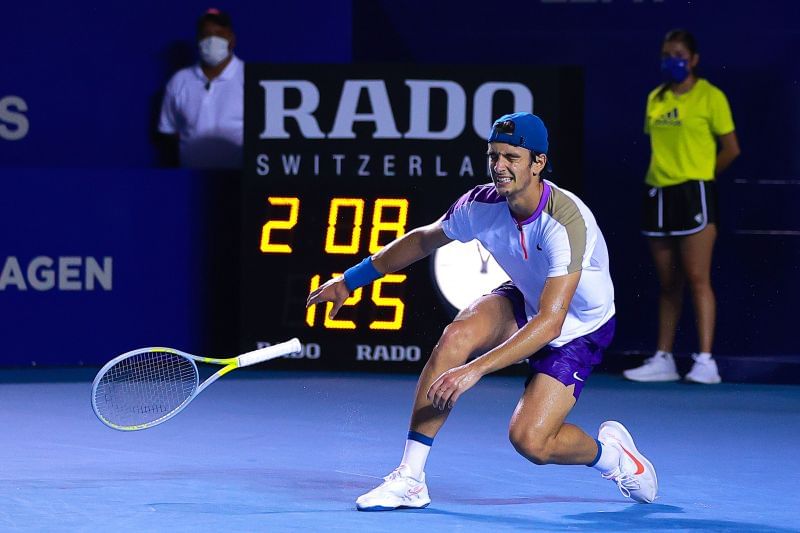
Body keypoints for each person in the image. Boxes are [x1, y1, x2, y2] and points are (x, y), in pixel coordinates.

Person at [307, 112, 658, 511]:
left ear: (538, 162)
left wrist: (475, 369)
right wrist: (349, 280)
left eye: (512, 156)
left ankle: (613, 458)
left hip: (576, 328)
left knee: (531, 442)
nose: (499, 166)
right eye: (494, 156)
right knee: (456, 337)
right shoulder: (480, 204)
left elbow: (551, 322)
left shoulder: (565, 221)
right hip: (525, 298)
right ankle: (410, 478)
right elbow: (423, 240)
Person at [624, 29, 740, 385]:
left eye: (678, 54)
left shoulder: (711, 97)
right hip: (658, 193)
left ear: (693, 59)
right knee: (668, 282)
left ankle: (706, 361)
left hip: (695, 194)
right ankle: (663, 359)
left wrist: (701, 178)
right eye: (666, 54)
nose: (672, 60)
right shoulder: (655, 98)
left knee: (697, 278)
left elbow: (731, 148)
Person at [157, 8, 244, 169]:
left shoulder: (248, 78)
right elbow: (170, 130)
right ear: (198, 40)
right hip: (190, 177)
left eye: (219, 34)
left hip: (238, 179)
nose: (212, 40)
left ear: (232, 39)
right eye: (206, 35)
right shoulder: (179, 81)